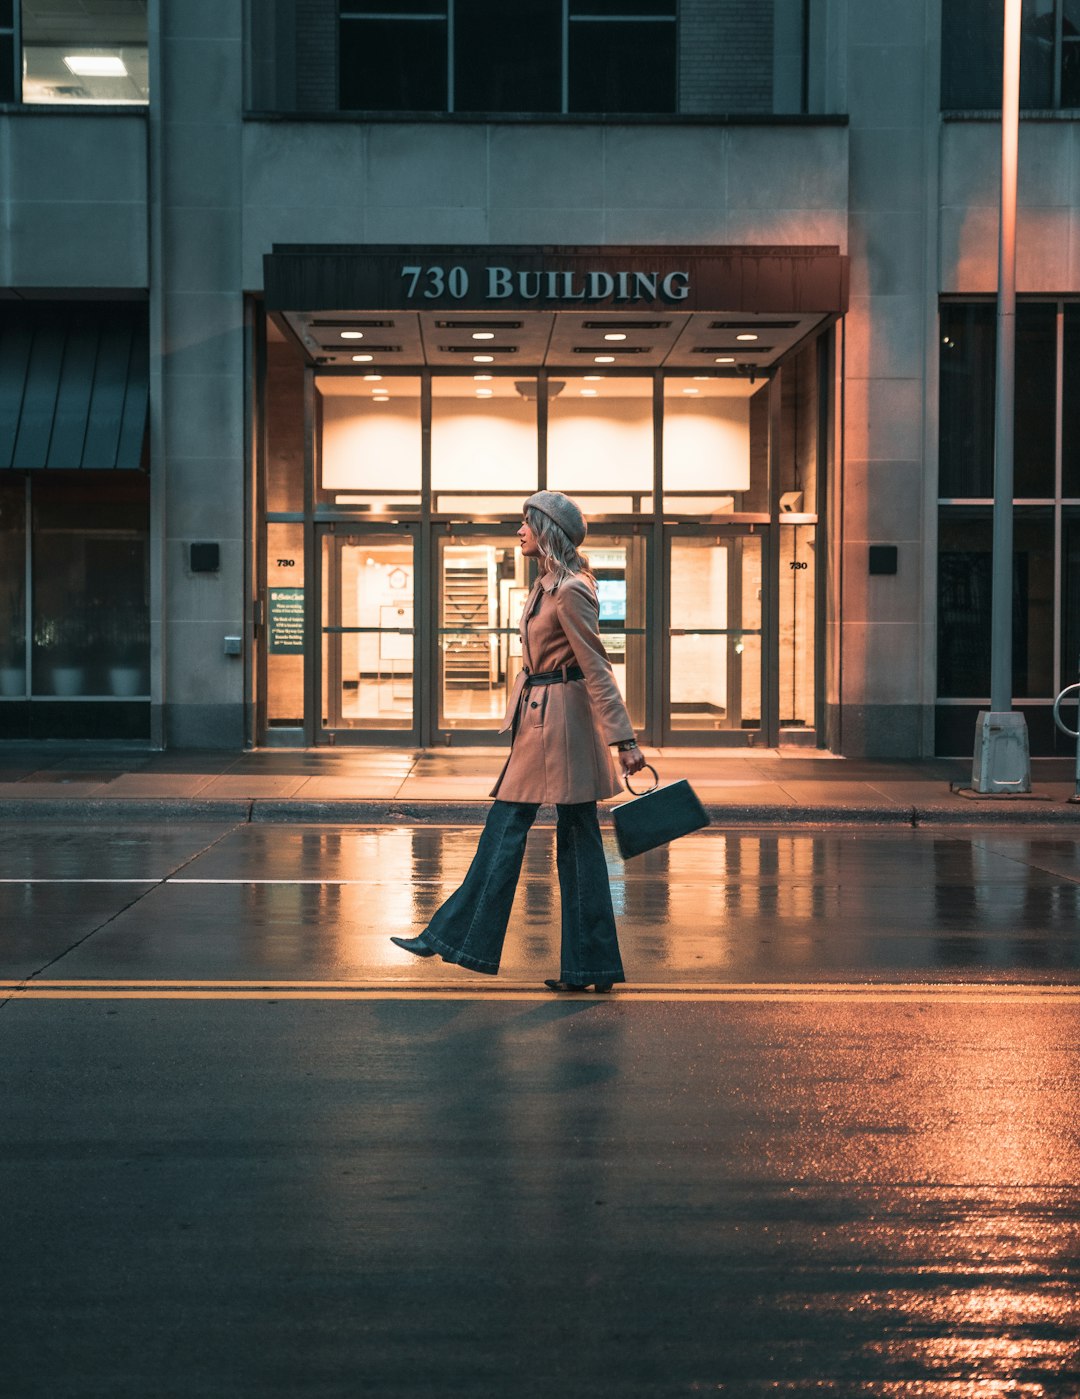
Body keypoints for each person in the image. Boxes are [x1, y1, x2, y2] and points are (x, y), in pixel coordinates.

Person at [391, 490, 647, 993]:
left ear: (549, 530)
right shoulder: (546, 586)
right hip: (542, 721)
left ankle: (452, 938)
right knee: (572, 841)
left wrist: (624, 740)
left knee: (516, 830)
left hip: (563, 728)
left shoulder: (571, 589)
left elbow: (596, 666)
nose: (519, 530)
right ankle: (589, 967)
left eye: (526, 523)